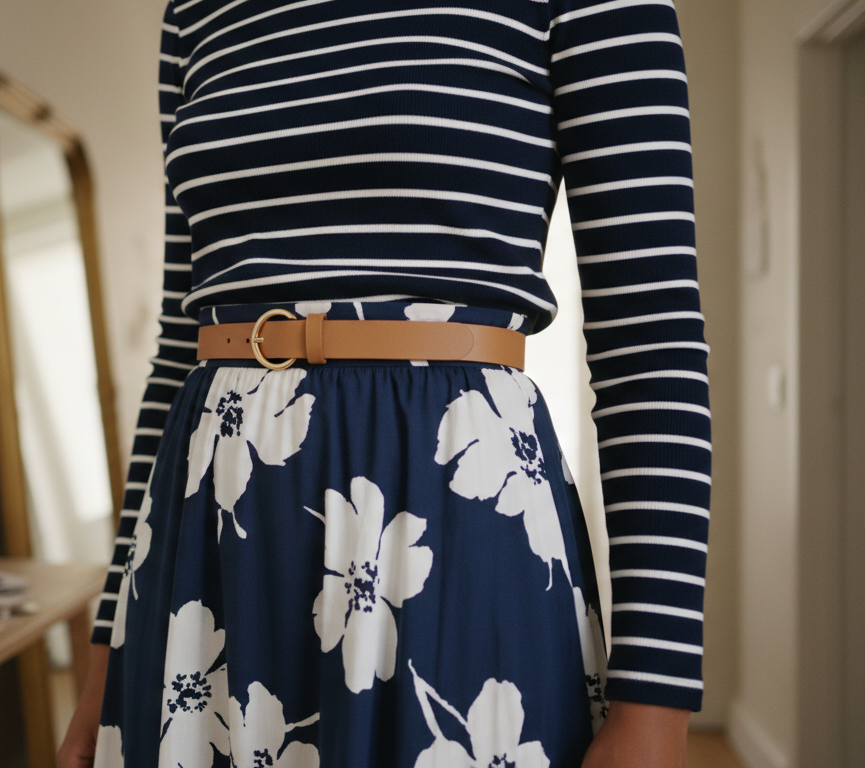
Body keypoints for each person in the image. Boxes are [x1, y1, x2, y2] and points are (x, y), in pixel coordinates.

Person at [62, 0, 709, 765]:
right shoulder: (195, 15)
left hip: (455, 522)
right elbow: (181, 345)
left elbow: (651, 339)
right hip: (211, 547)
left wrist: (657, 702)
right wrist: (109, 643)